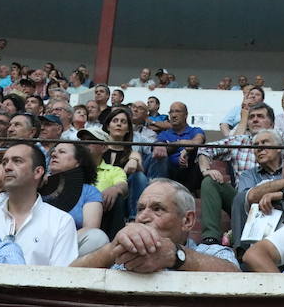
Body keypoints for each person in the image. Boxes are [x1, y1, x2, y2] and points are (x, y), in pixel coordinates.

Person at [71, 178, 239, 272]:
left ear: (187, 221)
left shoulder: (211, 252)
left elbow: (237, 279)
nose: (142, 217)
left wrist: (176, 256)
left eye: (157, 209)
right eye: (140, 209)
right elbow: (69, 276)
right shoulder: (123, 257)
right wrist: (111, 250)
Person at [196, 103, 284, 245]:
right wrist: (206, 170)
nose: (254, 120)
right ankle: (211, 239)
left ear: (271, 123)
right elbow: (205, 150)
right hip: (242, 201)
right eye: (251, 117)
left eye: (260, 116)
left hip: (279, 198)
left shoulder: (282, 138)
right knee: (210, 182)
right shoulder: (239, 140)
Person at [0, 143, 77, 266]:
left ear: (38, 172)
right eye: (5, 162)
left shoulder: (61, 222)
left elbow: (61, 277)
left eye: (17, 161)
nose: (7, 167)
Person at [43, 142, 109, 256]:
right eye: (53, 152)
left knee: (97, 238)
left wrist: (58, 241)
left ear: (78, 162)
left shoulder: (89, 191)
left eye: (62, 152)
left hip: (68, 247)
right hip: (38, 242)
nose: (54, 155)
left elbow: (90, 228)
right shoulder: (37, 187)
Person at [150, 101, 205, 192]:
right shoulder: (164, 134)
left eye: (177, 111)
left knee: (197, 155)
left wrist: (186, 151)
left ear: (186, 115)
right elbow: (161, 147)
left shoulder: (195, 130)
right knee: (160, 155)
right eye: (171, 112)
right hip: (169, 172)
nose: (173, 115)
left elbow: (198, 141)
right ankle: (158, 190)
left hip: (189, 171)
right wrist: (180, 144)